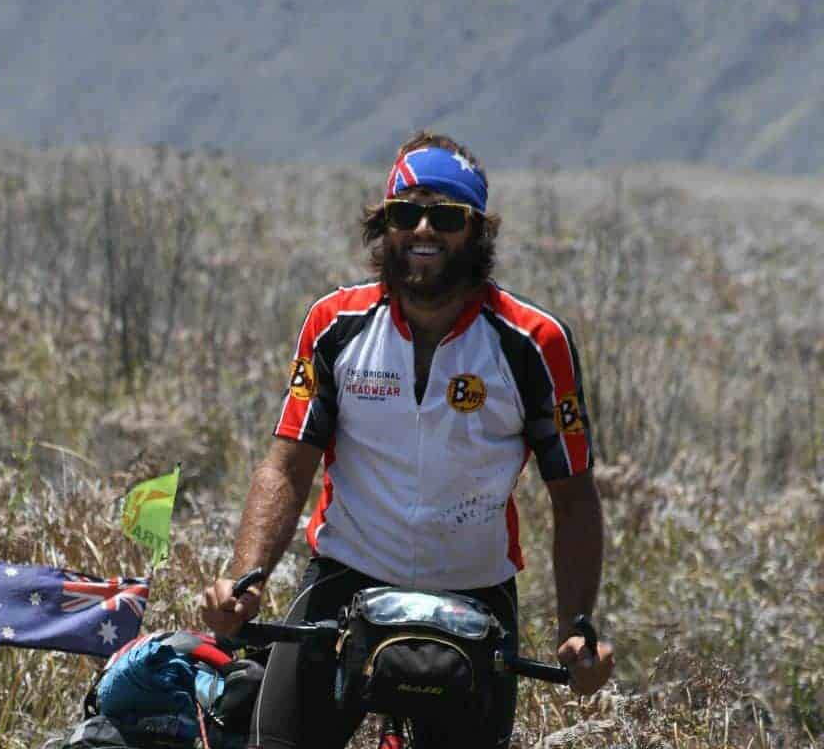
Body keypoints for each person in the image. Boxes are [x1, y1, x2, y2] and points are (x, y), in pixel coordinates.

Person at [202, 131, 614, 749]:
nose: (424, 229)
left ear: (476, 231)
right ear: (383, 227)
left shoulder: (534, 343)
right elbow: (287, 467)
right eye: (405, 213)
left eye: (446, 216)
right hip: (346, 578)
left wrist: (577, 626)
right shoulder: (334, 325)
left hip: (474, 595)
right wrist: (244, 580)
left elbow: (574, 497)